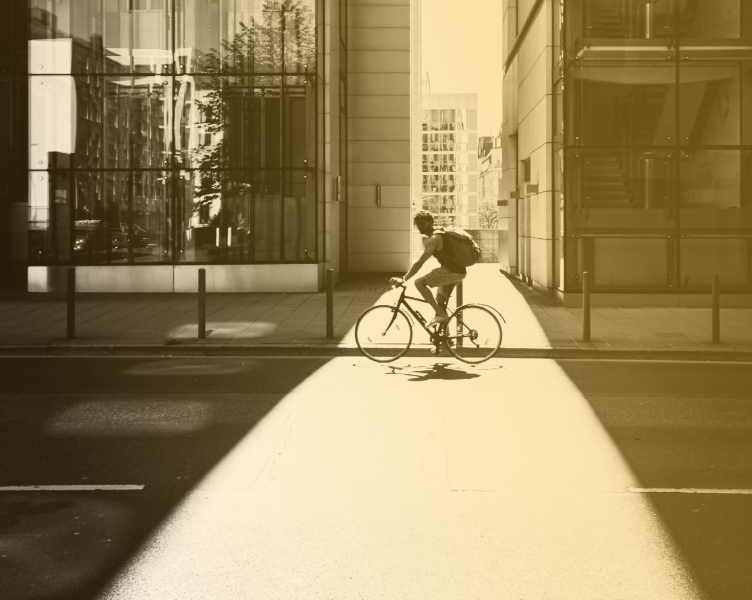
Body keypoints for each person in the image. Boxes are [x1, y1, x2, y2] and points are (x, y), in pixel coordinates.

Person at [390, 211, 466, 326]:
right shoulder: (438, 233)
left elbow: (419, 263)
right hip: (457, 271)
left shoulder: (434, 238)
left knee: (419, 283)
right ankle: (444, 337)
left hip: (452, 272)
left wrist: (404, 279)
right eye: (417, 224)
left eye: (422, 223)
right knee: (440, 301)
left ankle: (440, 313)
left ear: (430, 222)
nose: (419, 226)